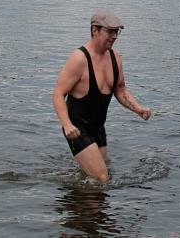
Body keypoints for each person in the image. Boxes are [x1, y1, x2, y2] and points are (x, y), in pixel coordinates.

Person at [53, 10, 152, 182]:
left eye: (117, 32)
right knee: (101, 177)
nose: (114, 36)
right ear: (95, 30)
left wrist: (138, 109)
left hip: (98, 127)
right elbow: (58, 94)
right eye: (110, 31)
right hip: (77, 129)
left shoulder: (116, 58)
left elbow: (120, 90)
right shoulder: (79, 59)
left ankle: (76, 198)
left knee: (101, 174)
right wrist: (67, 125)